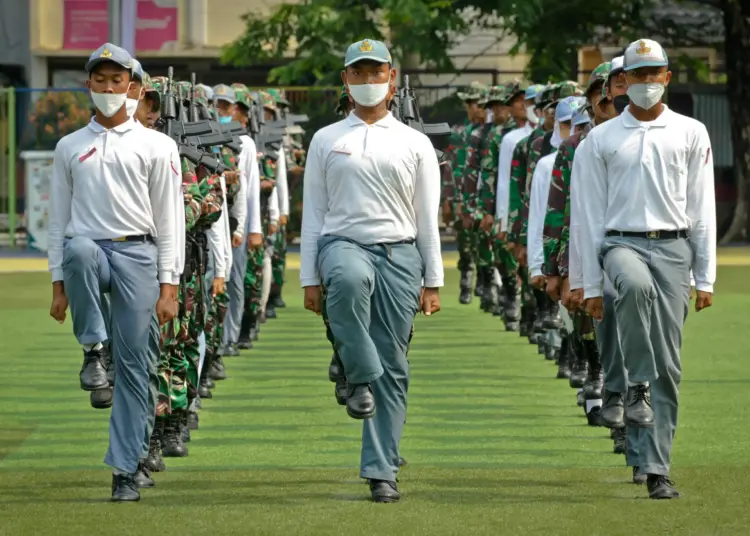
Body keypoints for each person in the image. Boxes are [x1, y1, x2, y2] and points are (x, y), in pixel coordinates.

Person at [301, 38, 442, 503]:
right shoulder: (326, 139)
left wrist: (434, 280)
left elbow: (427, 215)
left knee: (395, 366)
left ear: (391, 78)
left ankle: (382, 469)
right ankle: (356, 371)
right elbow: (314, 214)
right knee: (346, 278)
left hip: (402, 254)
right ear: (345, 79)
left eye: (375, 72)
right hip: (342, 243)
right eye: (357, 74)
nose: (367, 82)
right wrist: (308, 277)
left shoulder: (415, 142)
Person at [579, 39, 716, 499]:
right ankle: (634, 382)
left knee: (669, 365)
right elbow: (586, 216)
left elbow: (702, 207)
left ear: (667, 77)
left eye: (653, 73)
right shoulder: (599, 139)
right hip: (620, 245)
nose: (645, 83)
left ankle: (653, 466)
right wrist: (588, 282)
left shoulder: (691, 132)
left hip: (674, 249)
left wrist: (706, 275)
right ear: (623, 81)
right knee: (634, 289)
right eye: (636, 75)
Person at [48, 43, 179, 502]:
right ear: (89, 85)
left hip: (139, 256)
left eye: (116, 80)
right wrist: (57, 285)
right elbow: (57, 222)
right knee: (78, 248)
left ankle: (126, 468)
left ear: (133, 87)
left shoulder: (157, 145)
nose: (108, 88)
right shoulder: (69, 146)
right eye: (100, 80)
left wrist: (170, 286)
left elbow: (169, 221)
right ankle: (93, 349)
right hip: (90, 254)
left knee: (137, 369)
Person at [221, 84, 263, 356]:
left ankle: (230, 337)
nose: (222, 111)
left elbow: (249, 189)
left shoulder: (244, 143)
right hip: (209, 219)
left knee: (235, 280)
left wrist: (253, 228)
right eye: (218, 106)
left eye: (226, 107)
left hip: (236, 220)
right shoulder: (201, 138)